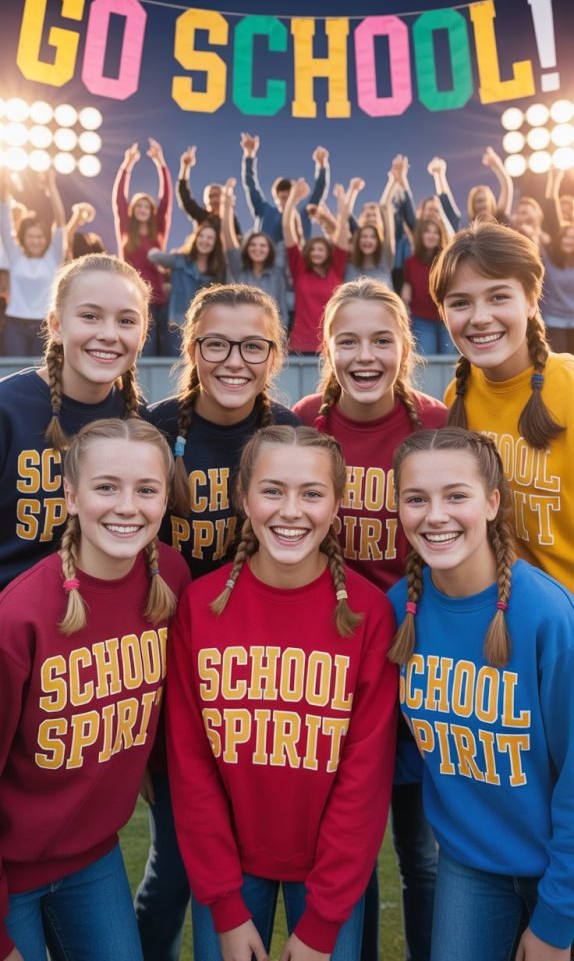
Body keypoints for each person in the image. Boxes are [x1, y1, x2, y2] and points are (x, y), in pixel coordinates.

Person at [166, 424, 399, 961]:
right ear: (243, 497)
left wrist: (323, 922)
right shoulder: (199, 608)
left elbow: (363, 781)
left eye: (312, 494)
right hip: (227, 874)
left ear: (337, 504)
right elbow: (191, 764)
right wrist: (224, 903)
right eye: (272, 490)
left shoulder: (366, 616)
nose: (291, 511)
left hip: (328, 882)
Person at [137, 285, 300, 961]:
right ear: (192, 348)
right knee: (177, 861)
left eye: (253, 345)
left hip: (254, 676)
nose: (235, 360)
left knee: (255, 851)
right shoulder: (154, 427)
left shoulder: (289, 433)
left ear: (275, 354)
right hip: (168, 673)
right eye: (216, 344)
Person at [294, 278, 446, 961]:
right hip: (337, 669)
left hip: (419, 663)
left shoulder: (437, 423)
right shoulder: (304, 422)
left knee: (424, 853)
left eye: (381, 340)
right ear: (326, 347)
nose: (365, 354)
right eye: (347, 340)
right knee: (342, 852)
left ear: (404, 347)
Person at [0, 417, 190, 961]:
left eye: (146, 489)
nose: (127, 506)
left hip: (93, 858)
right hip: (10, 869)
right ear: (71, 497)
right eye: (106, 487)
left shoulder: (170, 579)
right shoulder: (22, 616)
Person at [387, 426, 574, 961]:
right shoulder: (399, 611)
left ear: (492, 503)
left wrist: (558, 920)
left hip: (559, 869)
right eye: (416, 499)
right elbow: (400, 746)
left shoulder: (547, 617)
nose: (435, 515)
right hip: (469, 866)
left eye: (456, 496)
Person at [430, 220, 574, 592]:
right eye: (461, 303)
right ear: (444, 314)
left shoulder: (568, 386)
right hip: (506, 618)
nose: (480, 317)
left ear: (530, 299)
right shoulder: (457, 395)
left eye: (498, 297)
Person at [0, 253, 150, 591]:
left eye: (126, 321)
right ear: (56, 325)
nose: (109, 334)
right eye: (90, 316)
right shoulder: (7, 409)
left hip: (101, 629)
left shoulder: (140, 421)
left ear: (142, 335)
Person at [113, 139, 173, 356]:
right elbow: (119, 199)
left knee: (165, 354)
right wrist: (127, 166)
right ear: (132, 210)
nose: (142, 209)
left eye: (146, 206)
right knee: (142, 353)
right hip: (134, 300)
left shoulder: (158, 231)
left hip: (159, 302)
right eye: (138, 205)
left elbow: (166, 200)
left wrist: (161, 163)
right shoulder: (127, 231)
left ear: (151, 211)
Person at [0, 166, 66, 357]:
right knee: (15, 376)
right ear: (23, 238)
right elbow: (5, 219)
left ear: (46, 238)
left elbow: (60, 222)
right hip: (15, 325)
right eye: (31, 236)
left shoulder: (53, 257)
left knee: (42, 376)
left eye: (39, 237)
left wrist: (51, 186)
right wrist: (4, 185)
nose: (36, 241)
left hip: (44, 326)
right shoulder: (15, 255)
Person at [283, 179, 351, 353]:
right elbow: (287, 228)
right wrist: (293, 198)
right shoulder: (300, 271)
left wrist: (342, 202)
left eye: (321, 249)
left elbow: (343, 231)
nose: (316, 253)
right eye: (312, 249)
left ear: (329, 253)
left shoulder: (336, 269)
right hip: (300, 347)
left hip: (331, 346)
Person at [148, 221, 226, 354]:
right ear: (195, 239)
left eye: (210, 238)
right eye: (201, 236)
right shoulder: (180, 260)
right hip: (177, 325)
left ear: (215, 243)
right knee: (174, 364)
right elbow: (153, 256)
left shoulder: (218, 270)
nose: (205, 241)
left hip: (205, 326)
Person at [220, 179, 288, 327]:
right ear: (246, 248)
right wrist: (226, 206)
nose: (258, 249)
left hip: (269, 331)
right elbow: (228, 237)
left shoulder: (276, 273)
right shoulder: (239, 269)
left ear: (270, 250)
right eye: (253, 245)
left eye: (262, 246)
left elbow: (282, 310)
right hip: (239, 328)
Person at [240, 133, 330, 244]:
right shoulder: (264, 210)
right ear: (276, 195)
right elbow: (250, 184)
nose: (285, 195)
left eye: (289, 192)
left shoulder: (304, 213)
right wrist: (249, 155)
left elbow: (319, 190)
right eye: (281, 192)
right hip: (268, 259)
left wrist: (321, 166)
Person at [401, 220, 454, 356]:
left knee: (449, 363)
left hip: (446, 319)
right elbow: (407, 286)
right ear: (420, 236)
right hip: (422, 320)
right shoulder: (410, 262)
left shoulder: (447, 261)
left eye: (435, 233)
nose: (431, 235)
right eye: (427, 232)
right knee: (427, 362)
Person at [176, 145, 241, 236]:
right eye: (210, 196)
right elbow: (184, 196)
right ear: (205, 200)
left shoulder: (231, 219)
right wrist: (185, 167)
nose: (214, 200)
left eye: (217, 195)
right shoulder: (202, 216)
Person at [539, 224, 574, 354]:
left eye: (572, 238)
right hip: (553, 321)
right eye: (565, 237)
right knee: (559, 361)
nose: (569, 241)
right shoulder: (547, 258)